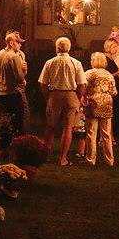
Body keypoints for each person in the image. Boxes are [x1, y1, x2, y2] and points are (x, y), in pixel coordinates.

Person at [38, 36, 87, 166]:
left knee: (50, 127)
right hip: (71, 95)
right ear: (69, 49)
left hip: (54, 94)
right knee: (68, 128)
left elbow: (43, 84)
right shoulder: (76, 63)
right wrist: (78, 97)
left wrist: (48, 97)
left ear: (57, 48)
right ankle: (63, 158)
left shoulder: (50, 62)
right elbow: (82, 84)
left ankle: (45, 156)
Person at [0, 31, 29, 159]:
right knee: (18, 122)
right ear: (11, 43)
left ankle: (3, 150)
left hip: (4, 94)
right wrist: (24, 71)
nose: (20, 45)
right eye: (18, 43)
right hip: (14, 92)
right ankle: (17, 150)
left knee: (6, 122)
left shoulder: (3, 55)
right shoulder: (12, 56)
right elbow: (19, 77)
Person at [83, 52, 118, 166]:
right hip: (106, 104)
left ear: (93, 61)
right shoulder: (109, 75)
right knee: (106, 133)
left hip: (93, 103)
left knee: (91, 133)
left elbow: (83, 87)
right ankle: (109, 160)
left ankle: (90, 159)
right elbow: (113, 92)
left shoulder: (88, 73)